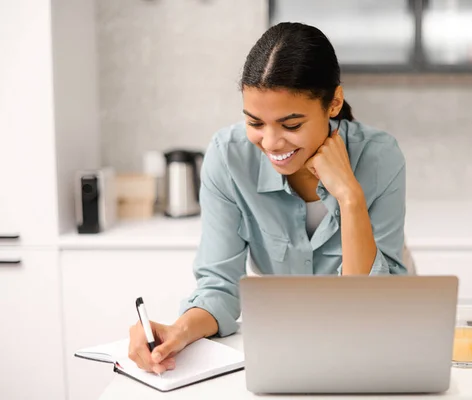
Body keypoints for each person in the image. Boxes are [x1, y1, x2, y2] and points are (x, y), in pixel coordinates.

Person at [128, 22, 407, 375]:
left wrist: (350, 197)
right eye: (255, 123)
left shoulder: (380, 158)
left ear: (333, 102)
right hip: (282, 350)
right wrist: (177, 332)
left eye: (291, 125)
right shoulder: (228, 158)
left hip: (366, 351)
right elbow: (219, 286)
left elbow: (374, 308)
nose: (271, 143)